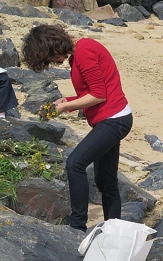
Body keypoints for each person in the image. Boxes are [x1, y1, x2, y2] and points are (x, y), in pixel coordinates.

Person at [21, 24, 133, 232]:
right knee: (105, 181)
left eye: (49, 58)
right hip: (111, 118)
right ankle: (114, 230)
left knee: (75, 164)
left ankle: (77, 226)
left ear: (53, 46)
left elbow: (99, 94)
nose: (52, 62)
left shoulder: (84, 50)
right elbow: (94, 91)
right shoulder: (77, 55)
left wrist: (65, 106)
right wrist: (67, 101)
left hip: (114, 119)